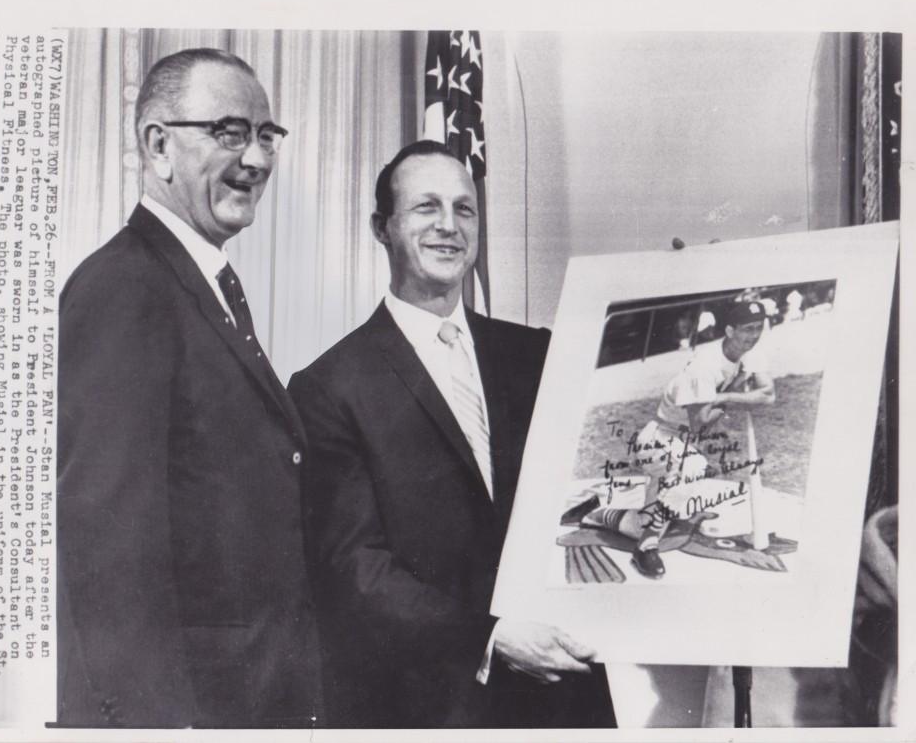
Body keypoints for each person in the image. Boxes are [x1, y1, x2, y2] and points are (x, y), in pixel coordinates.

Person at [287, 141, 616, 728]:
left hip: (567, 693)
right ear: (381, 228)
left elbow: (594, 486)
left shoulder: (534, 354)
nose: (449, 225)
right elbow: (355, 570)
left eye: (465, 210)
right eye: (426, 208)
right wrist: (489, 639)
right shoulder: (329, 387)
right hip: (436, 706)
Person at [57, 48, 320, 728]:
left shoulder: (205, 284)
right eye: (230, 132)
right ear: (158, 145)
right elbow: (107, 546)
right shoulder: (122, 287)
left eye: (266, 136)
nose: (257, 160)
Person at [582, 299, 776, 577]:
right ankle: (645, 549)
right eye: (747, 329)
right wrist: (733, 393)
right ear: (730, 331)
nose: (753, 335)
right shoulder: (704, 366)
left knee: (648, 521)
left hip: (680, 442)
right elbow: (700, 425)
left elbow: (768, 395)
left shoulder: (750, 353)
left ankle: (596, 513)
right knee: (691, 468)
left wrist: (725, 396)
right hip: (659, 438)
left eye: (758, 327)